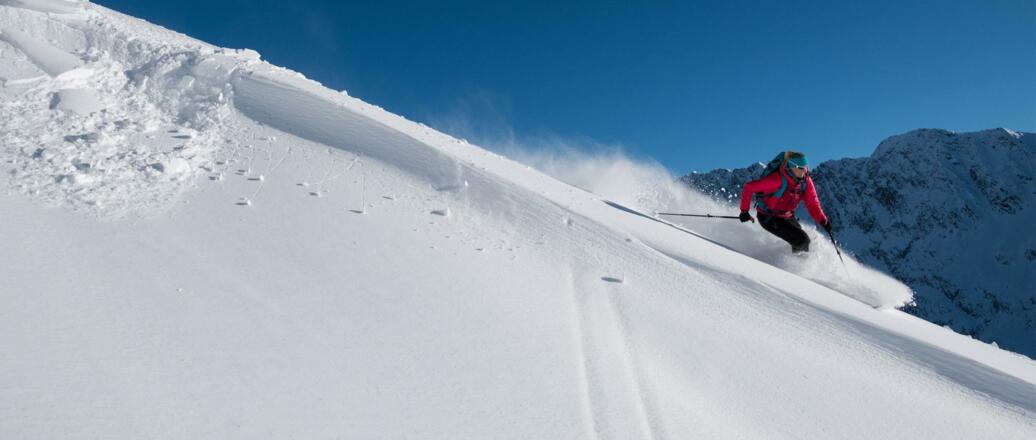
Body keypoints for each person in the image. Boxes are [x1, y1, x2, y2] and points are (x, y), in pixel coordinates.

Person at [738, 151, 831, 253]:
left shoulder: (805, 182)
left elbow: (812, 204)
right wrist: (744, 211)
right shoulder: (777, 180)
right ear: (791, 167)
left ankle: (794, 263)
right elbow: (749, 187)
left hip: (787, 216)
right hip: (769, 218)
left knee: (802, 240)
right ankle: (797, 267)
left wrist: (823, 220)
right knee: (802, 241)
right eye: (801, 168)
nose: (805, 171)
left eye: (806, 167)